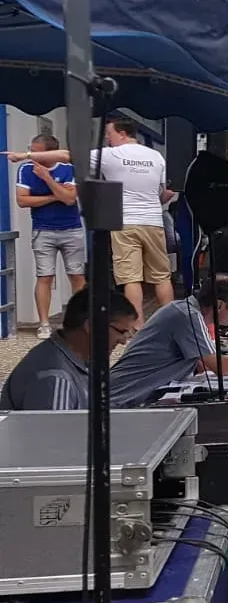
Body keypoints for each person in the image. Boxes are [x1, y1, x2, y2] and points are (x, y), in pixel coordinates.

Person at [13, 117, 175, 326]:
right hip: (153, 221)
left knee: (130, 278)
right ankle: (170, 324)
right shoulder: (156, 156)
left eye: (109, 134)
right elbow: (163, 194)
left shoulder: (111, 154)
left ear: (122, 134)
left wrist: (25, 155)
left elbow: (67, 155)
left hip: (125, 222)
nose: (107, 138)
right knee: (161, 276)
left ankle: (137, 326)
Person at [110, 275, 228, 406]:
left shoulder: (186, 311)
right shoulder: (188, 316)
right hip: (122, 398)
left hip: (131, 395)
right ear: (219, 305)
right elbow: (220, 367)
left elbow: (202, 365)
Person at [1, 289, 138, 410]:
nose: (123, 341)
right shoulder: (56, 380)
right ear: (91, 326)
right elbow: (55, 431)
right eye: (121, 332)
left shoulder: (79, 361)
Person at [16, 134, 83, 339]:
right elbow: (22, 200)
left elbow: (70, 199)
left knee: (77, 276)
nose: (32, 155)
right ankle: (44, 324)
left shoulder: (69, 168)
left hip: (71, 229)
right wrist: (56, 195)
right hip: (42, 230)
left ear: (50, 152)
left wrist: (47, 178)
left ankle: (78, 322)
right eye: (31, 150)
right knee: (44, 276)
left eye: (36, 152)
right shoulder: (25, 169)